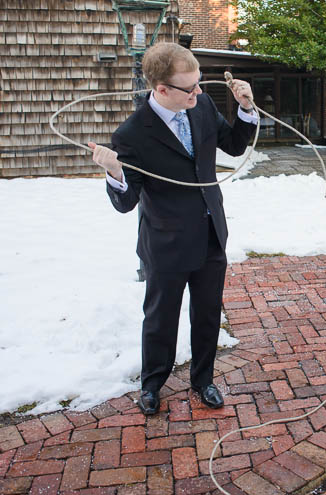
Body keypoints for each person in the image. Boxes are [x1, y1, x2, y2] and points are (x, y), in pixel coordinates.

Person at [88, 42, 258, 415]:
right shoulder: (132, 134)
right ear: (161, 89)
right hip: (165, 241)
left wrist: (246, 109)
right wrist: (115, 172)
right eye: (190, 87)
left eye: (199, 83)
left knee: (208, 313)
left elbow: (231, 144)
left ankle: (204, 380)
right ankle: (152, 385)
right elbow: (125, 201)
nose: (199, 92)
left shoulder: (202, 106)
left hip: (211, 233)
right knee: (161, 318)